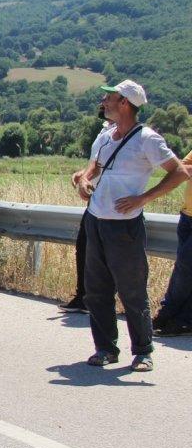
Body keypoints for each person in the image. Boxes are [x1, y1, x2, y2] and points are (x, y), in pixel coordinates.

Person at [75, 80, 187, 372]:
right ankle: (106, 349)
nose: (103, 101)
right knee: (96, 290)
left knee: (131, 290)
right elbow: (93, 168)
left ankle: (143, 351)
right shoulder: (104, 136)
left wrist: (144, 198)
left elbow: (179, 172)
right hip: (95, 219)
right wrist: (84, 180)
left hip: (124, 226)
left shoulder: (147, 138)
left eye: (109, 97)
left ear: (124, 102)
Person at [58, 110, 113, 314]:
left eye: (109, 98)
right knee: (84, 249)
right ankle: (84, 297)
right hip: (96, 200)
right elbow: (98, 165)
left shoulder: (120, 133)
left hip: (106, 203)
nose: (103, 103)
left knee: (96, 253)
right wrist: (83, 175)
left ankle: (94, 299)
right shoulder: (106, 131)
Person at [153, 147, 192, 337]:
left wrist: (186, 171)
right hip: (187, 216)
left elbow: (184, 171)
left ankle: (172, 313)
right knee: (184, 268)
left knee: (185, 266)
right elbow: (181, 170)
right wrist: (185, 171)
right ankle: (179, 318)